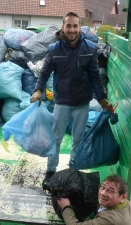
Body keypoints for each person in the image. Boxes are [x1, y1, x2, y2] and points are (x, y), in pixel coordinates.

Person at [30, 12, 113, 188]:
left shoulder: (90, 48)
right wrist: (38, 90)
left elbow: (94, 76)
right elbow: (44, 72)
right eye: (69, 26)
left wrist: (102, 99)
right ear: (63, 27)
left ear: (80, 28)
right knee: (56, 138)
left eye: (75, 26)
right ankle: (51, 171)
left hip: (82, 102)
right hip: (62, 102)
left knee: (78, 139)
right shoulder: (55, 49)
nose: (72, 29)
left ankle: (73, 172)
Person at [57, 174, 131, 225]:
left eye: (111, 191)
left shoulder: (110, 219)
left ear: (122, 197)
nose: (103, 193)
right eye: (103, 187)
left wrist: (66, 207)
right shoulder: (125, 204)